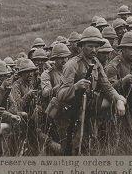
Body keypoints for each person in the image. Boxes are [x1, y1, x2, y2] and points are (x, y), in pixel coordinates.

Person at [54, 26, 126, 155]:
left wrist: (119, 99)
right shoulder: (72, 65)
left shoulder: (96, 63)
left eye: (97, 46)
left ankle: (103, 136)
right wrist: (75, 87)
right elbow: (60, 95)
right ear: (82, 46)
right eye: (90, 46)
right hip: (70, 113)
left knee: (86, 146)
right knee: (70, 149)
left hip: (87, 106)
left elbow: (107, 86)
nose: (94, 50)